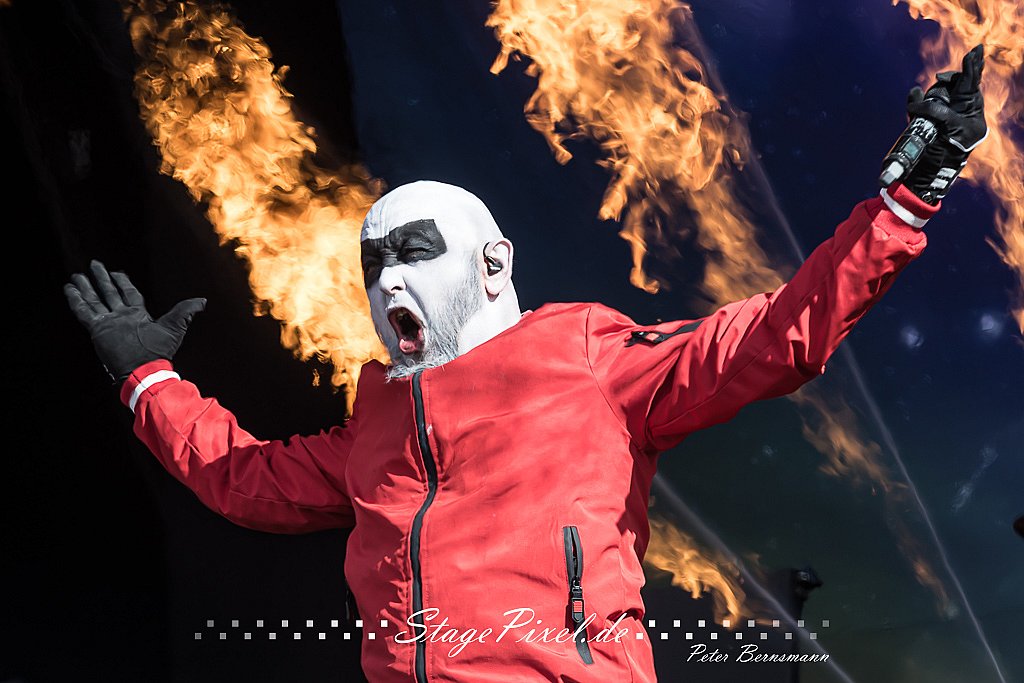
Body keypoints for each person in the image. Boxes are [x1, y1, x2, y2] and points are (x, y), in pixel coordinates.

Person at [65, 47, 987, 683]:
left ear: (493, 265)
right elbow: (247, 482)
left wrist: (904, 202)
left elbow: (778, 336)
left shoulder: (587, 359)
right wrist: (149, 380)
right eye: (373, 264)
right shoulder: (374, 425)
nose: (388, 278)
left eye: (413, 252)